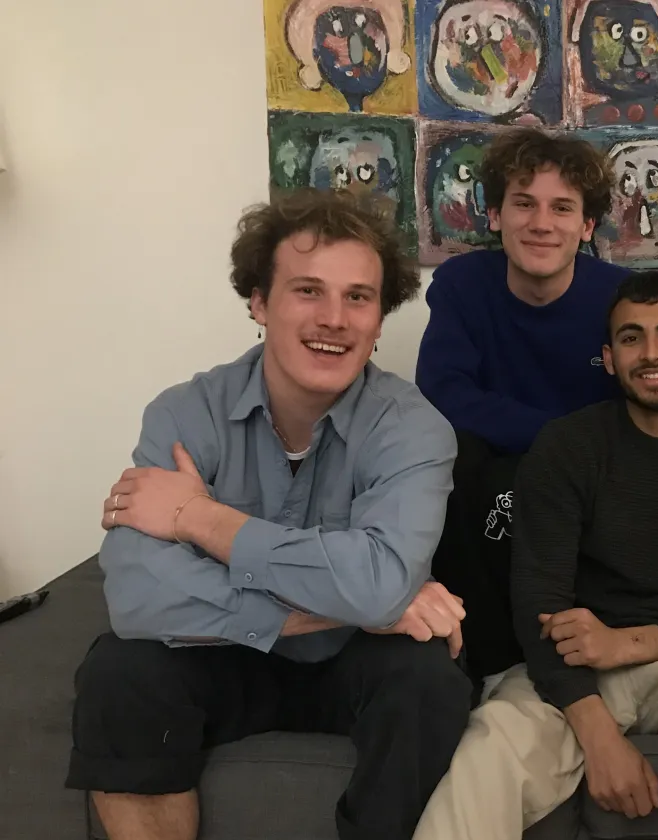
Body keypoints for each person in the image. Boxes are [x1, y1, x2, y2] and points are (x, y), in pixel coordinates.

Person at [66, 189, 475, 840]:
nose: (334, 319)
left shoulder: (415, 429)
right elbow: (140, 598)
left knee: (431, 682)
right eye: (308, 291)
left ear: (378, 317)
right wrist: (359, 603)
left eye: (358, 298)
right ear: (259, 302)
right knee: (120, 669)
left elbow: (378, 583)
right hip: (223, 657)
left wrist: (200, 519)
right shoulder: (183, 414)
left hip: (354, 662)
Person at [413, 271, 658, 840]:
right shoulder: (567, 447)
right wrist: (598, 735)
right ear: (608, 356)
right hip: (573, 662)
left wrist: (628, 642)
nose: (651, 353)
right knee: (490, 745)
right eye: (631, 338)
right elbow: (538, 604)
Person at [414, 127, 658, 690]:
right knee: (458, 463)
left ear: (586, 227)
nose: (541, 223)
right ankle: (485, 666)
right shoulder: (462, 285)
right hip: (503, 479)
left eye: (562, 208)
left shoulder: (617, 294)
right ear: (494, 216)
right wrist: (561, 440)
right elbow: (443, 394)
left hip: (602, 483)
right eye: (524, 204)